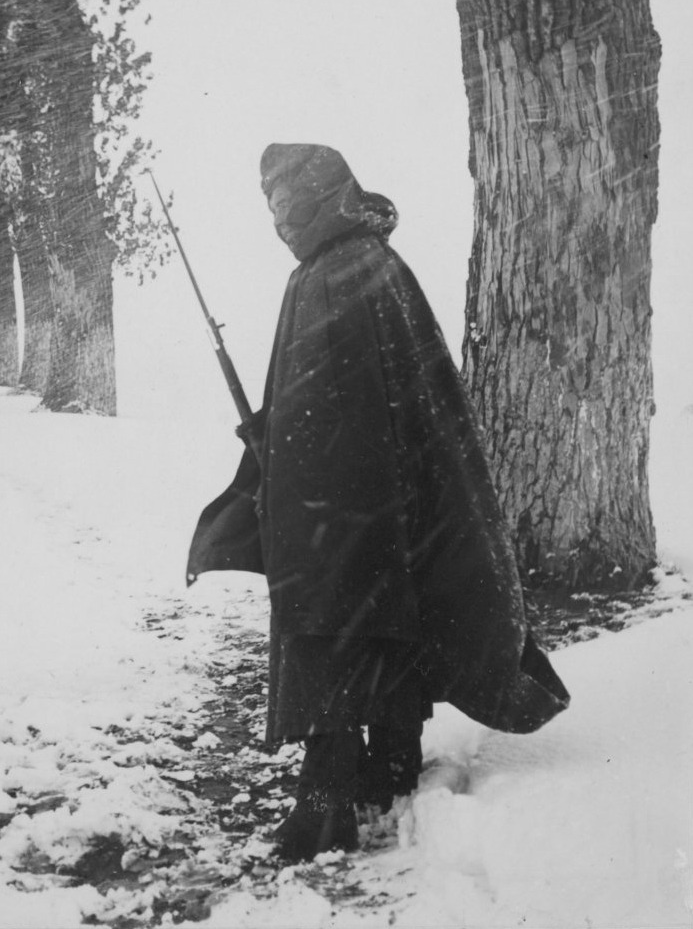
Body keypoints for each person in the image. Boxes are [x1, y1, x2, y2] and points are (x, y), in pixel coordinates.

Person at [188, 143, 569, 861]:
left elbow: (341, 402)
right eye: (269, 207)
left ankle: (327, 796)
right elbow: (339, 398)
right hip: (374, 498)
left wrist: (295, 460)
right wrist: (275, 437)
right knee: (380, 610)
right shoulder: (361, 264)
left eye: (286, 202)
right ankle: (388, 760)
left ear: (320, 195)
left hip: (344, 501)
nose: (278, 219)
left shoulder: (339, 271)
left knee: (328, 620)